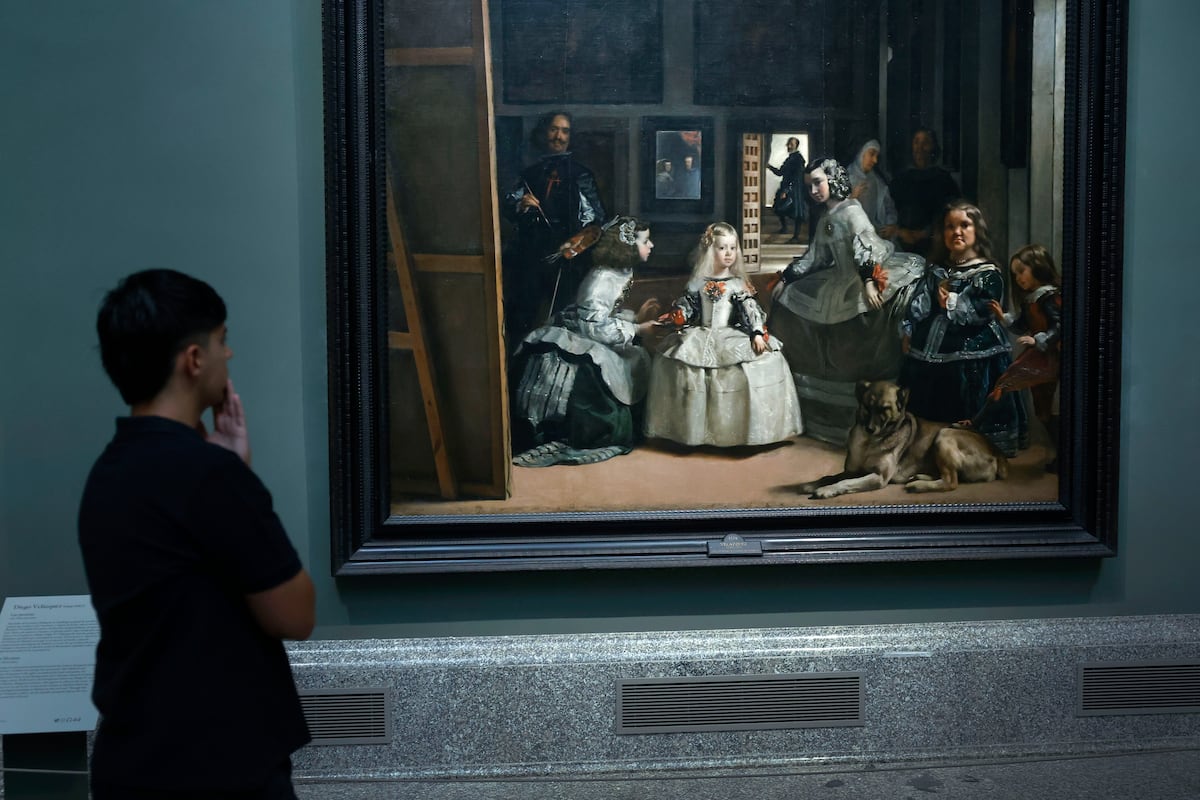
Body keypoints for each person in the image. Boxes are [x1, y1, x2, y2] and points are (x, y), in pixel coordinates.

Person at [78, 269, 315, 799]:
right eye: (221, 340)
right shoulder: (210, 475)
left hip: (131, 763)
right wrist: (239, 477)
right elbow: (295, 615)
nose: (229, 354)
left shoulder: (107, 472)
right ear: (193, 360)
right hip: (218, 767)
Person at [767, 157, 925, 444]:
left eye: (818, 183)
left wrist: (868, 280)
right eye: (809, 186)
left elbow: (868, 247)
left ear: (833, 180)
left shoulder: (852, 211)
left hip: (863, 274)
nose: (814, 190)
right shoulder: (825, 218)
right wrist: (787, 278)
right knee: (790, 299)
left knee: (865, 319)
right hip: (837, 279)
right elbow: (815, 258)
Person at [511, 216, 661, 467]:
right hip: (579, 336)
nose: (651, 245)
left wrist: (637, 319)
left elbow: (605, 314)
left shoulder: (621, 270)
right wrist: (636, 329)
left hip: (592, 329)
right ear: (627, 245)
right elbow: (593, 326)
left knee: (635, 357)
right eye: (646, 241)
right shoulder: (602, 278)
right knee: (608, 369)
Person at [644, 222, 802, 447]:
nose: (728, 254)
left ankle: (740, 433)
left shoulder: (738, 284)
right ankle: (694, 432)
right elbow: (688, 307)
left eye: (732, 248)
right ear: (710, 250)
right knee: (679, 363)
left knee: (765, 361)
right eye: (722, 248)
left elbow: (750, 310)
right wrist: (679, 315)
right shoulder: (698, 282)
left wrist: (757, 332)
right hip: (702, 333)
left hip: (729, 334)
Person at [898, 201, 1029, 457]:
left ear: (977, 231)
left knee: (968, 393)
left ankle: (970, 450)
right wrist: (909, 328)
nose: (956, 232)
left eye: (964, 225)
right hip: (930, 347)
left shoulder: (987, 273)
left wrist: (952, 302)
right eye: (950, 226)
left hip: (974, 348)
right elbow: (920, 301)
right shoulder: (937, 270)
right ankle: (927, 447)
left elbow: (983, 309)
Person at [501, 111, 607, 348]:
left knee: (562, 322)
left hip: (567, 261)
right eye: (553, 129)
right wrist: (521, 205)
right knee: (522, 319)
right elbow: (509, 208)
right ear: (543, 133)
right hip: (529, 258)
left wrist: (572, 246)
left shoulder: (581, 175)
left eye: (565, 131)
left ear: (571, 136)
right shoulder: (529, 174)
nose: (559, 136)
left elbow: (595, 220)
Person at [986, 243, 1063, 470]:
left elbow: (1059, 326)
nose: (1018, 278)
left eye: (1022, 271)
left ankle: (1065, 455)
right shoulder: (1031, 299)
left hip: (1053, 356)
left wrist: (1038, 339)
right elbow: (1021, 325)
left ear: (1038, 267)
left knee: (1052, 406)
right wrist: (1002, 316)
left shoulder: (1049, 297)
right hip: (1039, 355)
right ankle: (1061, 452)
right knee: (1042, 408)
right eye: (1015, 274)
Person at [889, 128, 961, 258]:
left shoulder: (943, 179)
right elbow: (890, 210)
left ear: (933, 147)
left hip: (934, 245)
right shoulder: (900, 179)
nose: (920, 148)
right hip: (903, 244)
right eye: (916, 142)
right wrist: (900, 232)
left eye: (925, 142)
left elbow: (951, 213)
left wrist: (925, 233)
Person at [848, 139, 897, 238]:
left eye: (877, 156)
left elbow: (889, 207)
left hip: (875, 235)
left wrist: (890, 224)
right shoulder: (845, 178)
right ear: (860, 154)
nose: (875, 160)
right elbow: (834, 215)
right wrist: (851, 197)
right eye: (871, 154)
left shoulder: (877, 181)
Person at [768, 136, 807, 241]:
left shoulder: (798, 159)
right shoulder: (790, 158)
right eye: (788, 144)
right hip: (786, 187)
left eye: (791, 144)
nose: (788, 146)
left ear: (796, 146)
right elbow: (780, 172)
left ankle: (796, 236)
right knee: (778, 208)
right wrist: (769, 166)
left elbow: (796, 177)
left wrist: (786, 190)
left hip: (795, 189)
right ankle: (784, 228)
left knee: (797, 213)